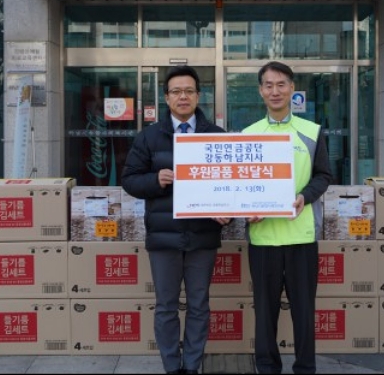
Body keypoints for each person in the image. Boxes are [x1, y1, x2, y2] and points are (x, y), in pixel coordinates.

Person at [121, 65, 228, 375]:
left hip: (203, 235)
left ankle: (191, 366)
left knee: (199, 305)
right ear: (166, 98)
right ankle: (171, 366)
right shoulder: (149, 136)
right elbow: (129, 180)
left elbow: (232, 185)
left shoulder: (216, 137)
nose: (183, 97)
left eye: (189, 91)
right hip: (163, 237)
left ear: (198, 96)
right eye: (177, 92)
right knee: (166, 306)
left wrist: (228, 211)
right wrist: (155, 180)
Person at [242, 61, 333, 375]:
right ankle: (267, 367)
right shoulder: (249, 134)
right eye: (268, 85)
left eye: (281, 84)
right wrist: (246, 209)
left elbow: (323, 176)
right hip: (263, 238)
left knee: (303, 312)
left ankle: (305, 367)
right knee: (264, 313)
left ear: (292, 88)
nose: (275, 91)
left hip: (301, 237)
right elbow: (242, 185)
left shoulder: (311, 132)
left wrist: (304, 197)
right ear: (260, 91)